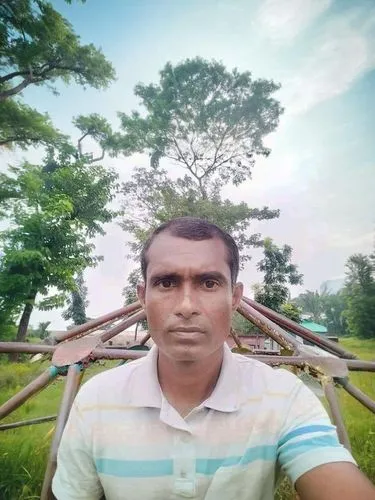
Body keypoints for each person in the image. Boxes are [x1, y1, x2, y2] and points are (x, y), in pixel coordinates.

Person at [52, 217, 375, 500]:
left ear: (234, 297)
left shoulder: (284, 398)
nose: (187, 306)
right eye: (166, 283)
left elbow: (328, 469)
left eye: (209, 283)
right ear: (142, 296)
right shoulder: (96, 399)